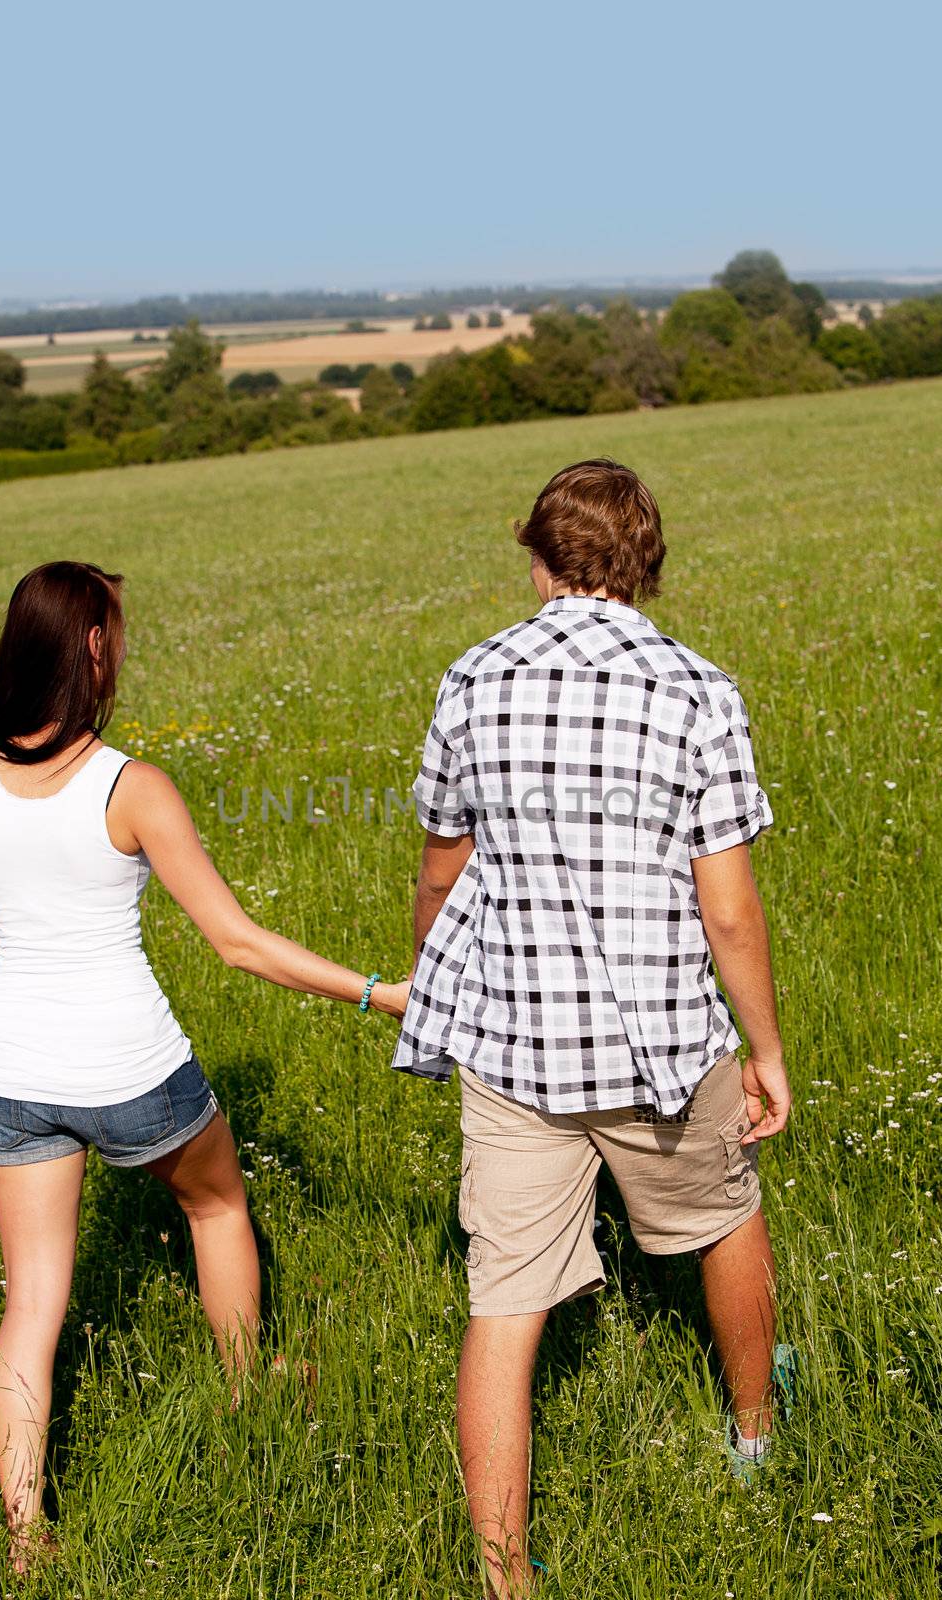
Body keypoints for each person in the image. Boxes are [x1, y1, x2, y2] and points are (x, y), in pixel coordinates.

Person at [0, 561, 407, 1573]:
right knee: (215, 1207)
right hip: (130, 1068)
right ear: (93, 648)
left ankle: (27, 1540)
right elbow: (235, 942)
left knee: (31, 1306)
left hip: (12, 1077)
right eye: (119, 631)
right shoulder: (130, 786)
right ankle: (247, 1384)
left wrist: (37, 1039)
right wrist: (381, 992)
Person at [392, 459, 793, 1598]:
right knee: (723, 1219)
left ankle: (501, 1572)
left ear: (536, 554)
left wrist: (432, 978)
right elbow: (726, 904)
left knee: (503, 1303)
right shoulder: (696, 689)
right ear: (645, 561)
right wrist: (762, 1050)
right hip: (664, 1041)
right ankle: (755, 1439)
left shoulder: (470, 677)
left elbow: (438, 863)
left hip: (514, 1043)